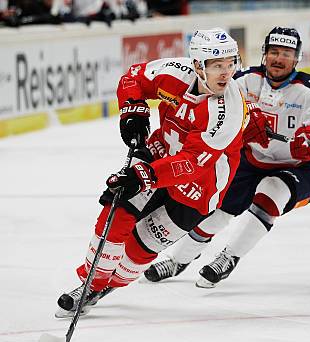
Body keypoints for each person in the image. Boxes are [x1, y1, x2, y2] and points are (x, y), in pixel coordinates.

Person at [55, 28, 259, 317]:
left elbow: (191, 164)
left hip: (199, 189)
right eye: (217, 66)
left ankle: (108, 284)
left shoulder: (228, 110)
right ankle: (90, 284)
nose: (226, 73)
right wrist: (132, 110)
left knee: (138, 251)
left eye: (230, 64)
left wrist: (142, 177)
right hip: (159, 155)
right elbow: (133, 78)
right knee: (115, 213)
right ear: (198, 65)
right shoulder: (175, 72)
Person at [144, 27, 310, 288]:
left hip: (296, 167)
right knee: (219, 211)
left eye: (286, 54)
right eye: (274, 52)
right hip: (252, 160)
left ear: (297, 58)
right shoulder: (244, 81)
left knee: (272, 192)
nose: (279, 59)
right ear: (264, 54)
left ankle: (228, 257)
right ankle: (179, 259)